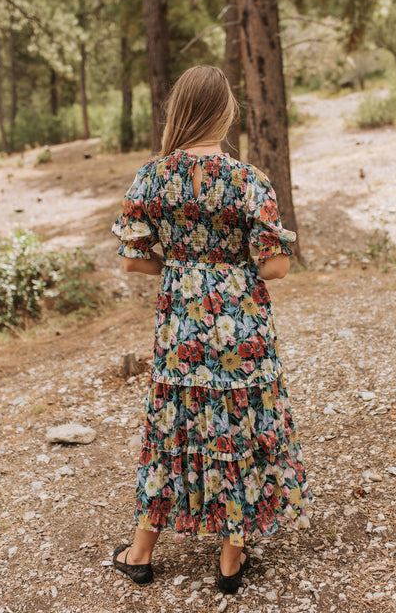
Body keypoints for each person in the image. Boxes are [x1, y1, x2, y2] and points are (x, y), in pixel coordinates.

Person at [111, 65, 312, 594]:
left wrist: (181, 268)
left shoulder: (152, 177)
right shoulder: (250, 181)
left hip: (181, 328)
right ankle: (228, 562)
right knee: (239, 430)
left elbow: (133, 260)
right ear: (225, 113)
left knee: (171, 429)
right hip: (243, 332)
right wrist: (231, 269)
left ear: (180, 111)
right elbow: (276, 268)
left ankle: (141, 553)